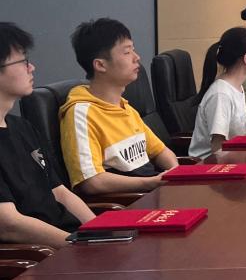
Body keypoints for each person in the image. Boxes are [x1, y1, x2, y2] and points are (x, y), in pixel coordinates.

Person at [0, 23, 95, 248]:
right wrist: (79, 247)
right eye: (23, 61)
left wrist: (100, 232)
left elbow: (60, 192)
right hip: (41, 254)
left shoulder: (23, 127)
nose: (32, 67)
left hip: (67, 240)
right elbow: (9, 224)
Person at [60, 18, 178, 195]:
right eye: (127, 52)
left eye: (133, 50)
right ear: (100, 65)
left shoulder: (125, 107)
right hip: (130, 202)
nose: (136, 57)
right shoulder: (81, 113)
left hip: (153, 193)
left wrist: (174, 173)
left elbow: (160, 151)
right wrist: (150, 183)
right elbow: (91, 181)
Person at [190, 28, 246, 157]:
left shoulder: (237, 87)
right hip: (211, 165)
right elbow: (218, 148)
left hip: (235, 158)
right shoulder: (221, 95)